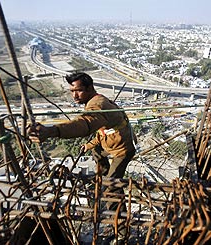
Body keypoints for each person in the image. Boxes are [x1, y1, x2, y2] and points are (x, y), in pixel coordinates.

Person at [28, 72, 136, 243]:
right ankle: (102, 179)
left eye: (78, 91)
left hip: (122, 149)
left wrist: (52, 131)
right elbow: (103, 131)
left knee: (111, 187)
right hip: (111, 142)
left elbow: (85, 124)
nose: (74, 95)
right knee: (96, 152)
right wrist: (90, 145)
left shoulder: (98, 105)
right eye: (72, 91)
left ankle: (120, 228)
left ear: (89, 88)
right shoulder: (95, 100)